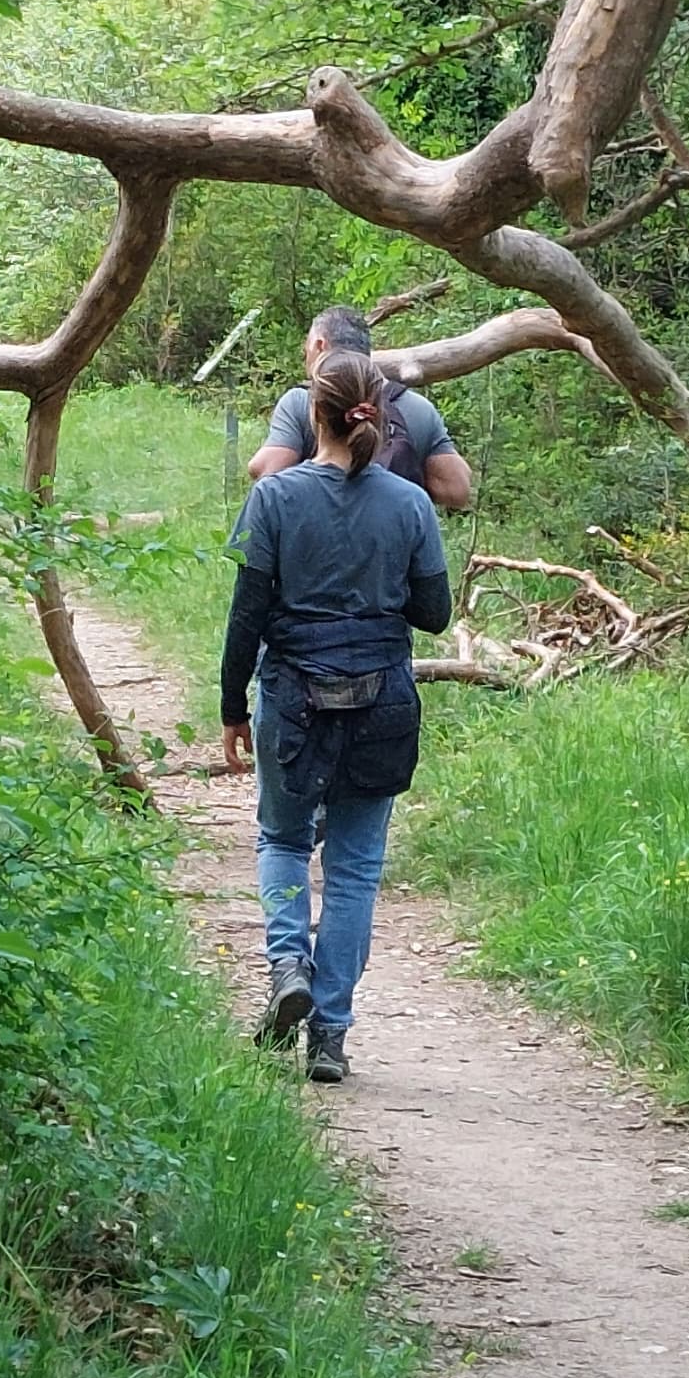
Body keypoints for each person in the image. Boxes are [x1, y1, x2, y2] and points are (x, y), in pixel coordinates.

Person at [221, 348, 453, 1083]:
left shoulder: (273, 498)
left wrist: (232, 707)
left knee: (283, 838)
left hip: (293, 699)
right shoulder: (410, 504)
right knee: (354, 871)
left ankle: (288, 965)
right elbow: (435, 614)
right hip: (382, 701)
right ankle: (329, 1035)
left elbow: (247, 614)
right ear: (377, 416)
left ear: (311, 415)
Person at [248, 304, 474, 513]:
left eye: (306, 349)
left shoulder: (301, 402)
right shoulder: (418, 408)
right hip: (391, 536)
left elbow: (269, 473)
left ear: (319, 345)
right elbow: (457, 489)